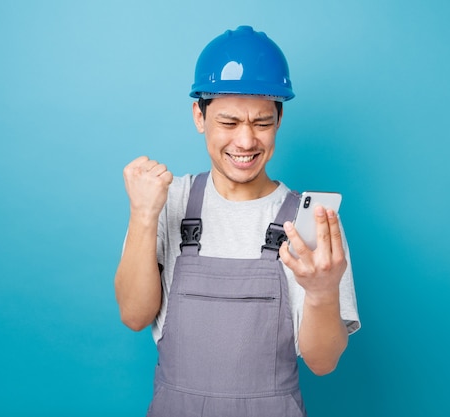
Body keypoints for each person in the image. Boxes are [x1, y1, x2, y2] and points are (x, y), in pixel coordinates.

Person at [114, 25, 360, 417]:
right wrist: (143, 215)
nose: (245, 142)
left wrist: (322, 291)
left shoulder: (311, 221)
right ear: (200, 115)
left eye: (261, 123)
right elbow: (134, 315)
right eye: (229, 123)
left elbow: (322, 362)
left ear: (279, 118)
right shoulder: (165, 199)